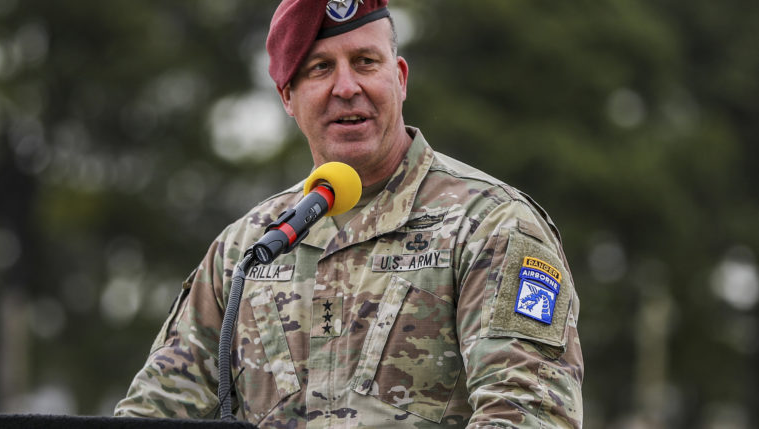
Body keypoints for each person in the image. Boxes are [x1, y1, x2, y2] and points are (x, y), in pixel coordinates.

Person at [114, 0, 584, 427]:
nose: (346, 87)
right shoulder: (248, 250)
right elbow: (153, 411)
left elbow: (528, 413)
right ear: (288, 98)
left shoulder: (490, 224)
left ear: (399, 78)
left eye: (365, 62)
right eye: (320, 68)